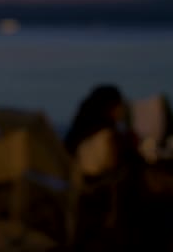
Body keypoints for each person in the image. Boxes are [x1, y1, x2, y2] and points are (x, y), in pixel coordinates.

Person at [65, 85, 146, 251]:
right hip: (103, 206)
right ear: (110, 107)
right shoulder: (107, 136)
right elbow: (113, 168)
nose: (122, 110)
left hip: (85, 202)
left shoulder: (82, 133)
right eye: (119, 106)